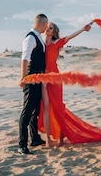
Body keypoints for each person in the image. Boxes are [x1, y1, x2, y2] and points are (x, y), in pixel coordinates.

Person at [40, 21, 92, 147]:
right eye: (47, 27)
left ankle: (61, 137)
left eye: (50, 28)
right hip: (43, 78)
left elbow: (69, 37)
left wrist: (83, 29)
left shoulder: (56, 43)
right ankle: (48, 139)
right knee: (46, 108)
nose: (48, 29)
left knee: (58, 107)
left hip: (56, 78)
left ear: (54, 32)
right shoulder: (40, 43)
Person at [17, 13, 49, 155]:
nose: (47, 27)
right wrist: (23, 78)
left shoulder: (39, 38)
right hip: (31, 79)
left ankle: (34, 138)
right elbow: (25, 59)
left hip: (39, 79)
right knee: (27, 111)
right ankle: (22, 144)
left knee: (36, 110)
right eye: (46, 24)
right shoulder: (30, 37)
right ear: (43, 24)